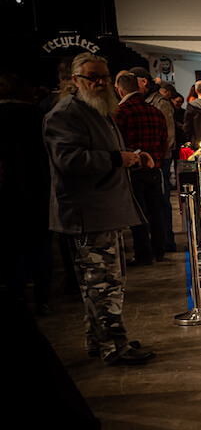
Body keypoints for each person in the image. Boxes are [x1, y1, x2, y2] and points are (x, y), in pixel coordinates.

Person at [42, 52, 155, 366]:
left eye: (104, 75)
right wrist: (119, 158)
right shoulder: (65, 113)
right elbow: (70, 160)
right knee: (103, 284)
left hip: (105, 211)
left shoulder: (97, 109)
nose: (101, 82)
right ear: (76, 80)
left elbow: (104, 152)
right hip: (87, 216)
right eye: (93, 76)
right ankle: (114, 347)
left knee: (103, 283)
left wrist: (132, 156)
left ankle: (99, 340)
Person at [0, 70, 54, 315]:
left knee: (13, 248)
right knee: (41, 246)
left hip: (8, 192)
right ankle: (44, 298)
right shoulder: (38, 115)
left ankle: (17, 297)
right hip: (40, 189)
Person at [114, 72, 167, 266]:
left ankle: (143, 254)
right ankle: (159, 250)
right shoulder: (155, 111)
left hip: (132, 170)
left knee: (138, 212)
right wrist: (156, 160)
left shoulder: (120, 112)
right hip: (153, 169)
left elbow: (115, 143)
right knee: (155, 210)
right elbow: (164, 142)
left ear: (119, 90)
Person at [134, 68, 177, 253]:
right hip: (147, 162)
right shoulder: (146, 102)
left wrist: (158, 158)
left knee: (161, 202)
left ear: (144, 81)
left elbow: (169, 136)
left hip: (159, 161)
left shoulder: (160, 102)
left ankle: (166, 241)